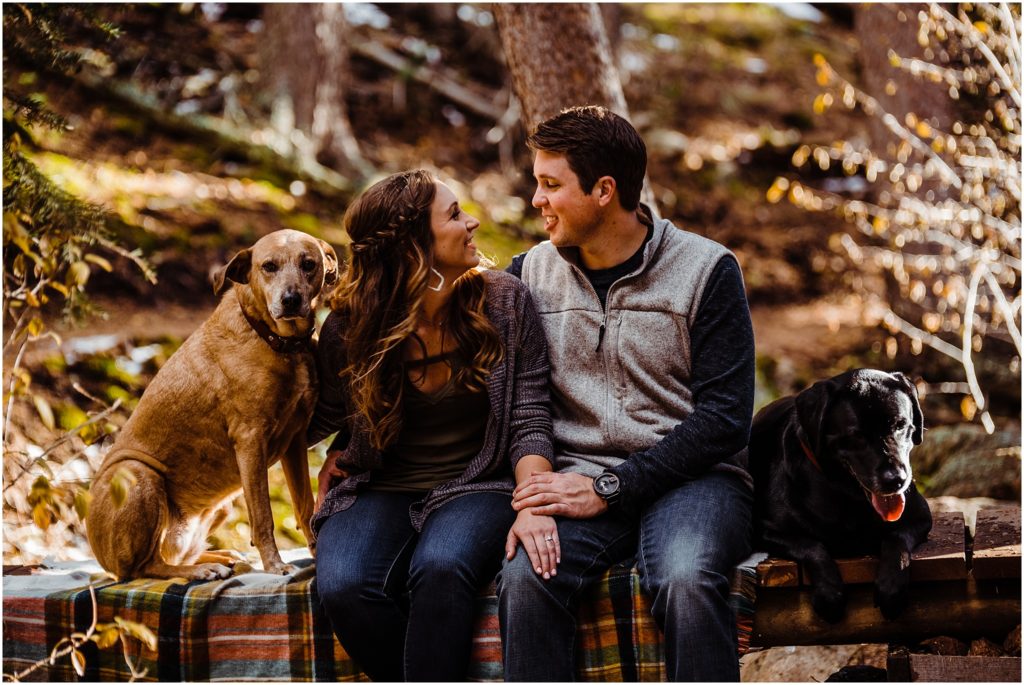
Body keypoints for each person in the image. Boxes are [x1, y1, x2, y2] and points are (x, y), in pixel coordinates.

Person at [498, 106, 755, 681]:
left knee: (685, 579)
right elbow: (520, 400)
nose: (536, 200)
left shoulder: (707, 269)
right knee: (525, 577)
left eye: (550, 184)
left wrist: (613, 488)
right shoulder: (529, 274)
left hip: (697, 477)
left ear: (604, 191)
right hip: (577, 471)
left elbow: (726, 419)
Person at [308, 170, 558, 682]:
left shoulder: (505, 302)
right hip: (380, 486)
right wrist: (333, 450)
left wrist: (533, 502)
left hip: (479, 482)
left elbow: (531, 416)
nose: (472, 222)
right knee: (344, 587)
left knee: (441, 568)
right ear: (412, 247)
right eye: (453, 215)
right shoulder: (349, 326)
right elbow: (319, 415)